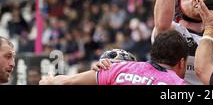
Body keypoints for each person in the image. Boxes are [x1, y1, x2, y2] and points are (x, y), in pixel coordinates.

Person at [39, 30, 188, 85]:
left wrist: (47, 80)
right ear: (182, 62)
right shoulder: (179, 85)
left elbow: (65, 82)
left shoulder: (119, 69)